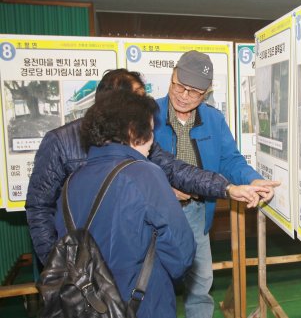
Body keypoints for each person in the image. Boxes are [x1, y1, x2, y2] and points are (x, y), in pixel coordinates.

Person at [26, 69, 269, 264]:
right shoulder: (59, 141)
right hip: (80, 259)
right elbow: (39, 206)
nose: (146, 104)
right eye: (138, 98)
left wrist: (227, 189)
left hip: (128, 253)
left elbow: (177, 170)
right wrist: (54, 263)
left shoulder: (139, 139)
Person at [153, 50, 281, 318]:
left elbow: (230, 161)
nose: (183, 95)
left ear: (207, 92)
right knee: (154, 285)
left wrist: (252, 178)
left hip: (196, 212)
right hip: (155, 214)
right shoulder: (149, 116)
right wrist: (164, 190)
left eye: (194, 92)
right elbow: (136, 165)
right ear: (172, 75)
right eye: (179, 85)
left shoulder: (213, 120)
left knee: (200, 286)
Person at [54, 90, 193, 318]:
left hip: (88, 307)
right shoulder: (145, 174)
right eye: (149, 130)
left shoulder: (71, 182)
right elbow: (182, 253)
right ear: (132, 131)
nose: (152, 140)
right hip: (142, 305)